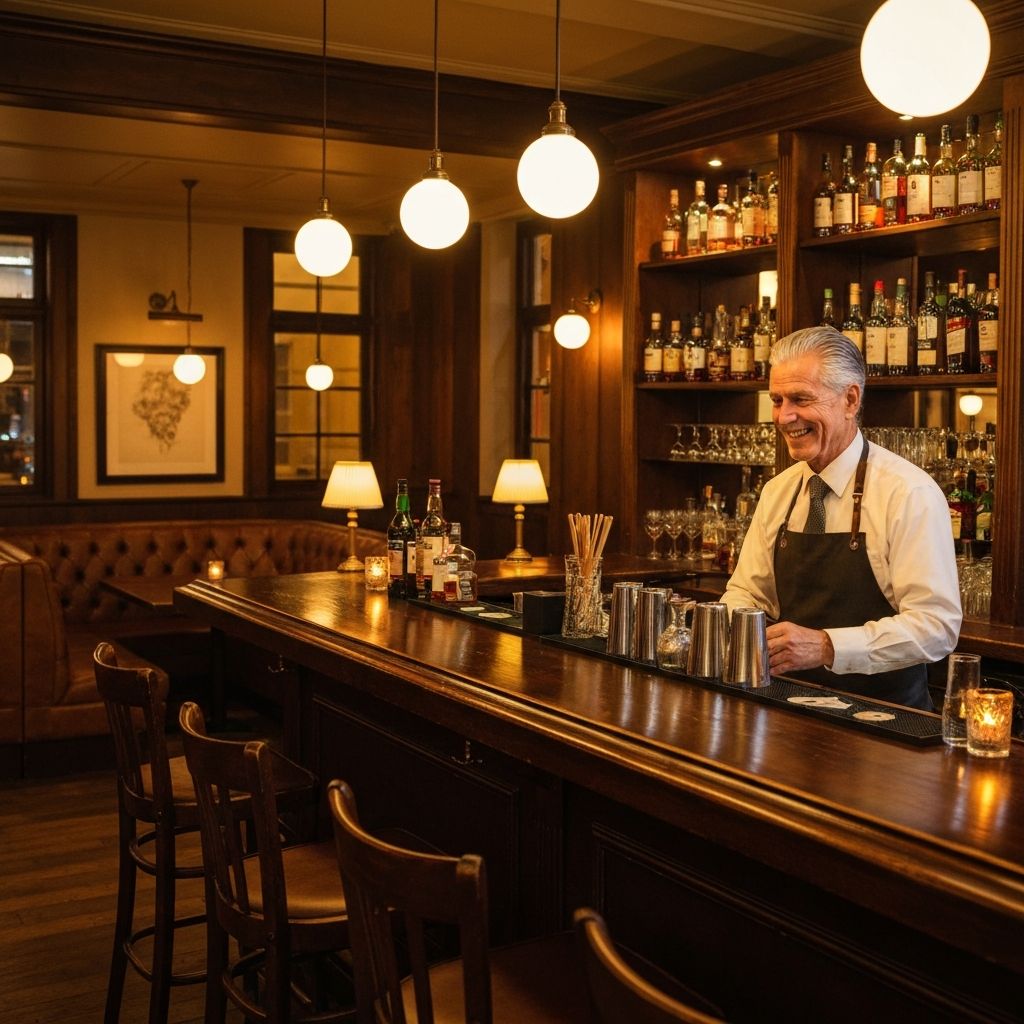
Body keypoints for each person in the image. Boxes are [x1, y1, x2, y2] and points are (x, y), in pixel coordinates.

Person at [722, 326, 961, 710]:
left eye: (801, 399)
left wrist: (828, 646)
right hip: (786, 707)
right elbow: (747, 593)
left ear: (851, 400)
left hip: (883, 724)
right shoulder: (778, 491)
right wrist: (738, 627)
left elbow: (936, 627)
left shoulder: (907, 493)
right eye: (777, 399)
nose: (785, 417)